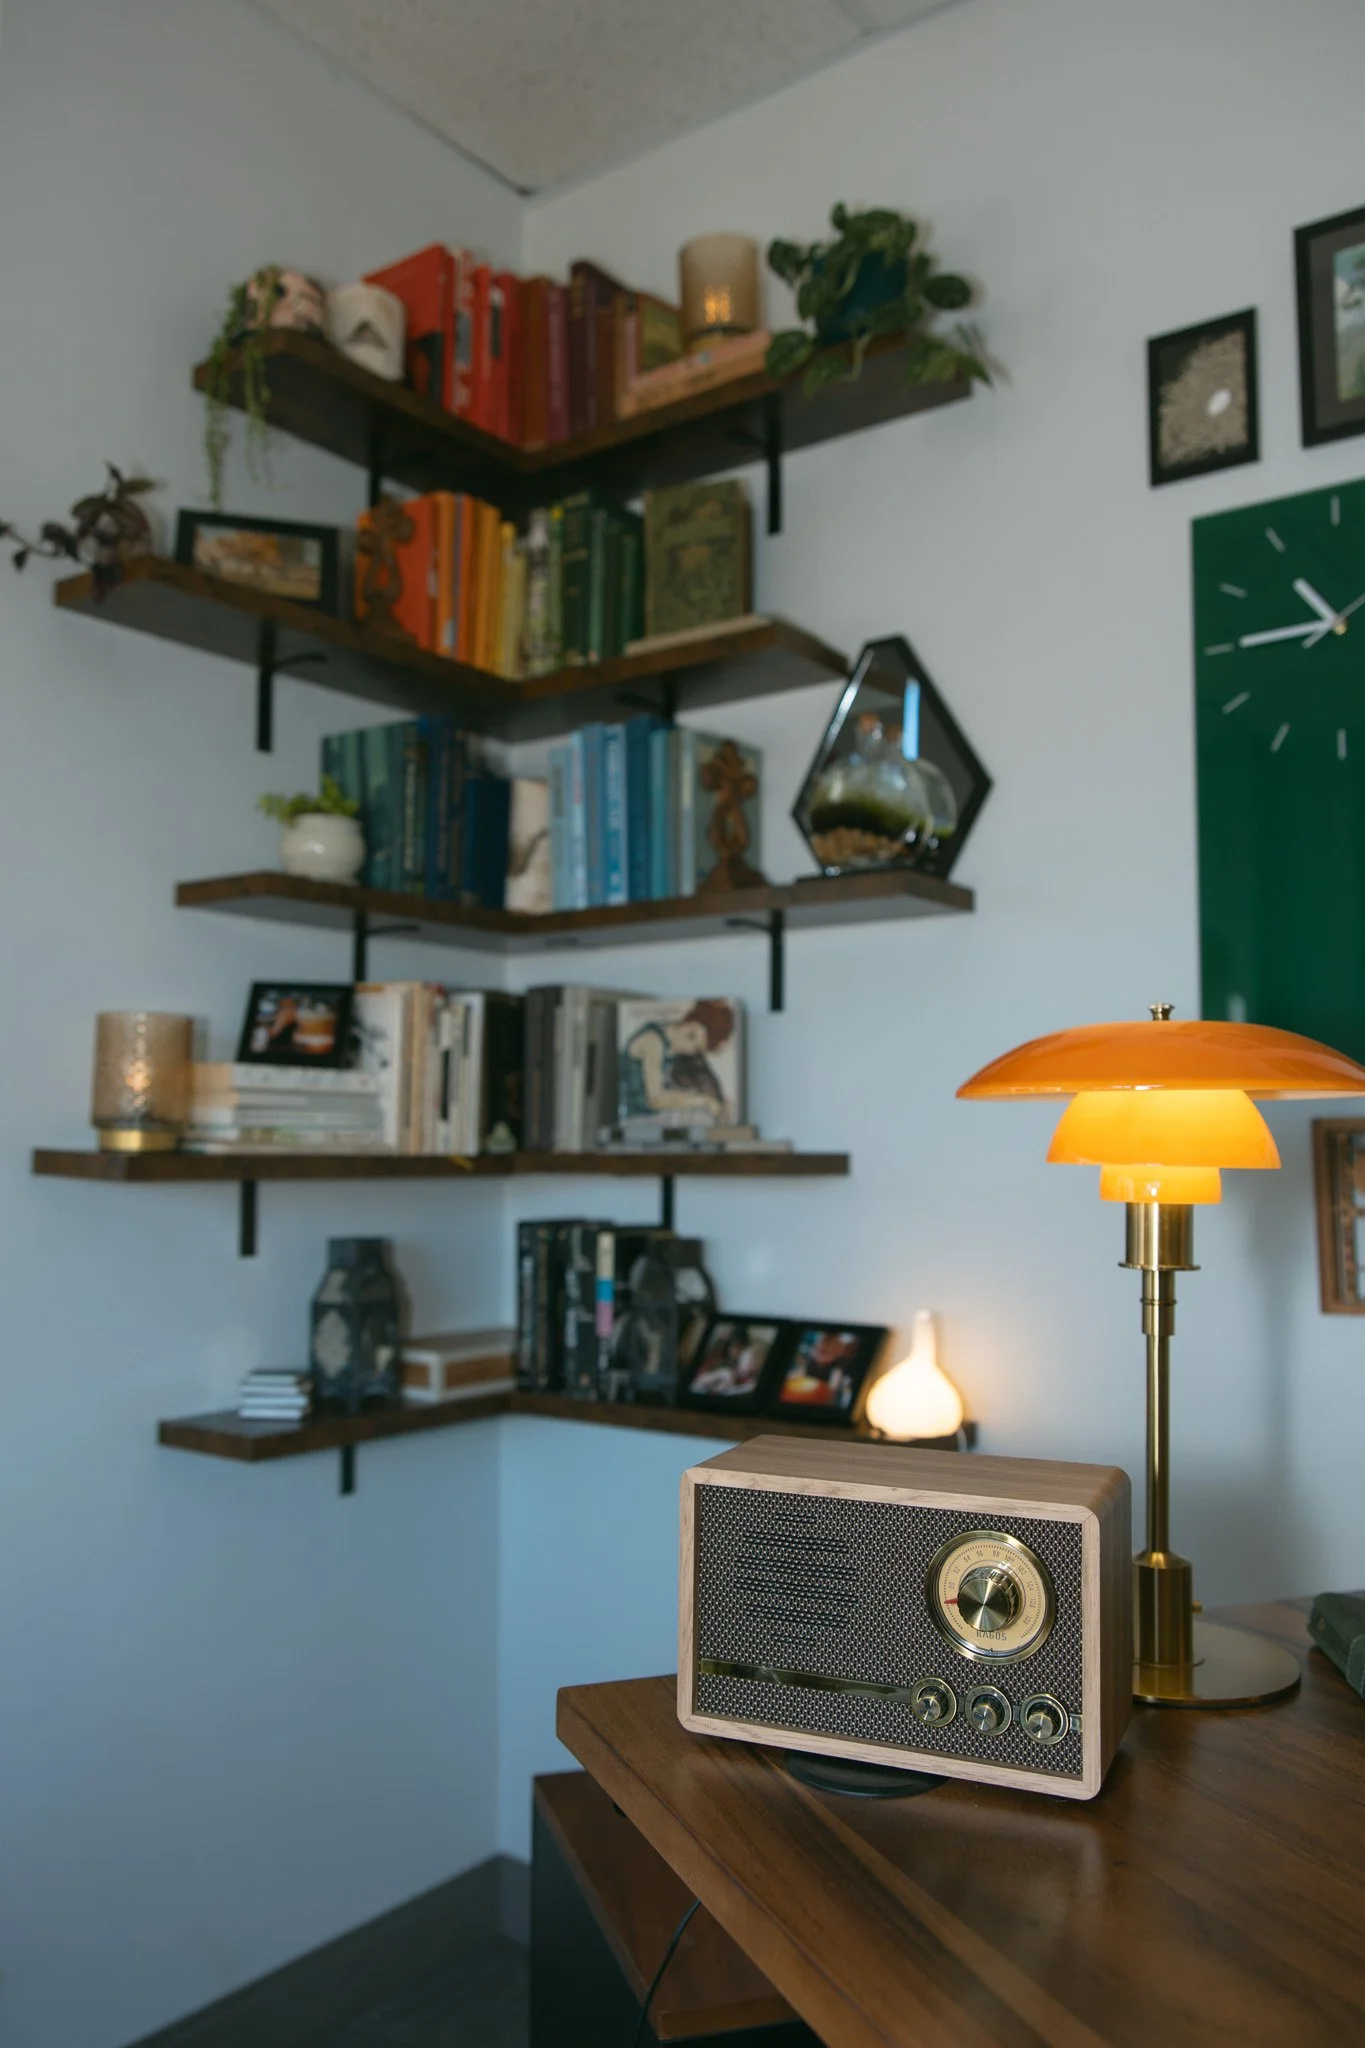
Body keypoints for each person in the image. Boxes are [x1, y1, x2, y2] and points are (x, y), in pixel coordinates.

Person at [621, 1000, 735, 1121]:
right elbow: (655, 1099)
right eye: (691, 1035)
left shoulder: (672, 1046)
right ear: (687, 1020)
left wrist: (718, 1102)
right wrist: (704, 1101)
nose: (688, 1047)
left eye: (696, 1049)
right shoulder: (653, 1041)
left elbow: (703, 1076)